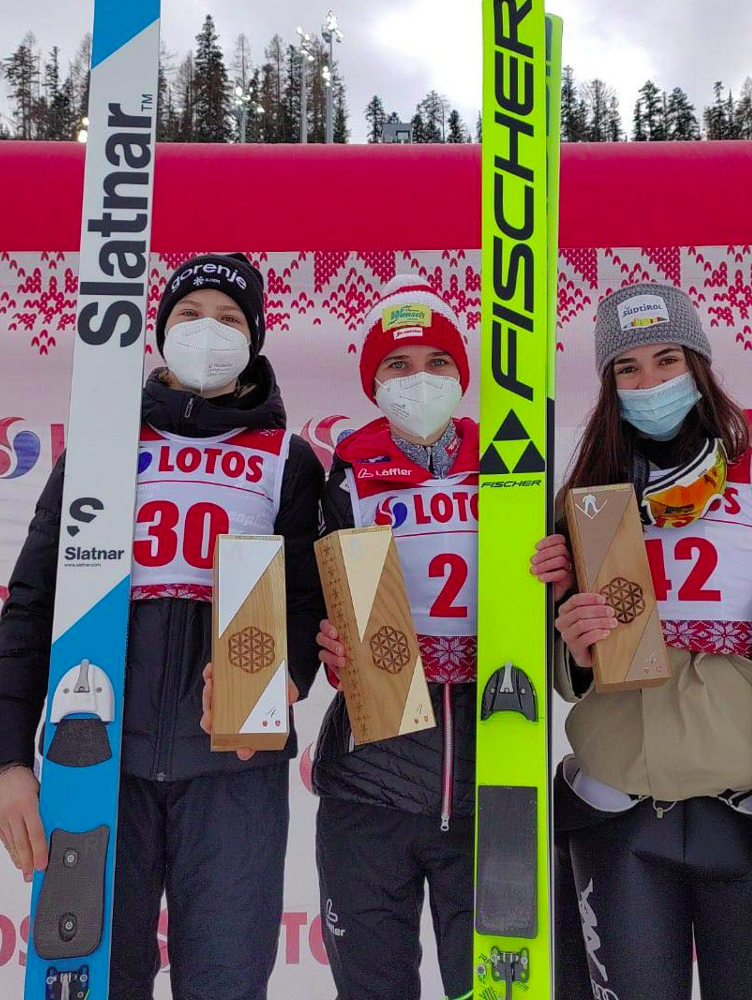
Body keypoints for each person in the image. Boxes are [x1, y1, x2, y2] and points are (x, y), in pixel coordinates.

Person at [0, 253, 325, 1000]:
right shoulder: (101, 451)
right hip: (98, 766)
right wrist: (3, 759)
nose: (208, 332)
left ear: (255, 340)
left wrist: (285, 675)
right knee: (93, 979)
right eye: (190, 315)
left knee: (227, 984)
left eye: (229, 319)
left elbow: (305, 602)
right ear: (161, 333)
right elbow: (35, 602)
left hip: (234, 775)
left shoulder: (288, 463)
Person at [529, 283, 752, 1000]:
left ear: (700, 364)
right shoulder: (586, 498)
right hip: (621, 814)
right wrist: (571, 635)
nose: (650, 383)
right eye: (627, 369)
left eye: (667, 360)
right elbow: (558, 673)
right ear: (608, 387)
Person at [311, 274, 480, 1000]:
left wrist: (560, 578)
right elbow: (317, 604)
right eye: (397, 365)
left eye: (438, 362)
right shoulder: (345, 475)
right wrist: (325, 643)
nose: (420, 380)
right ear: (373, 384)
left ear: (463, 375)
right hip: (371, 782)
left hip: (490, 781)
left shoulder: (515, 463)